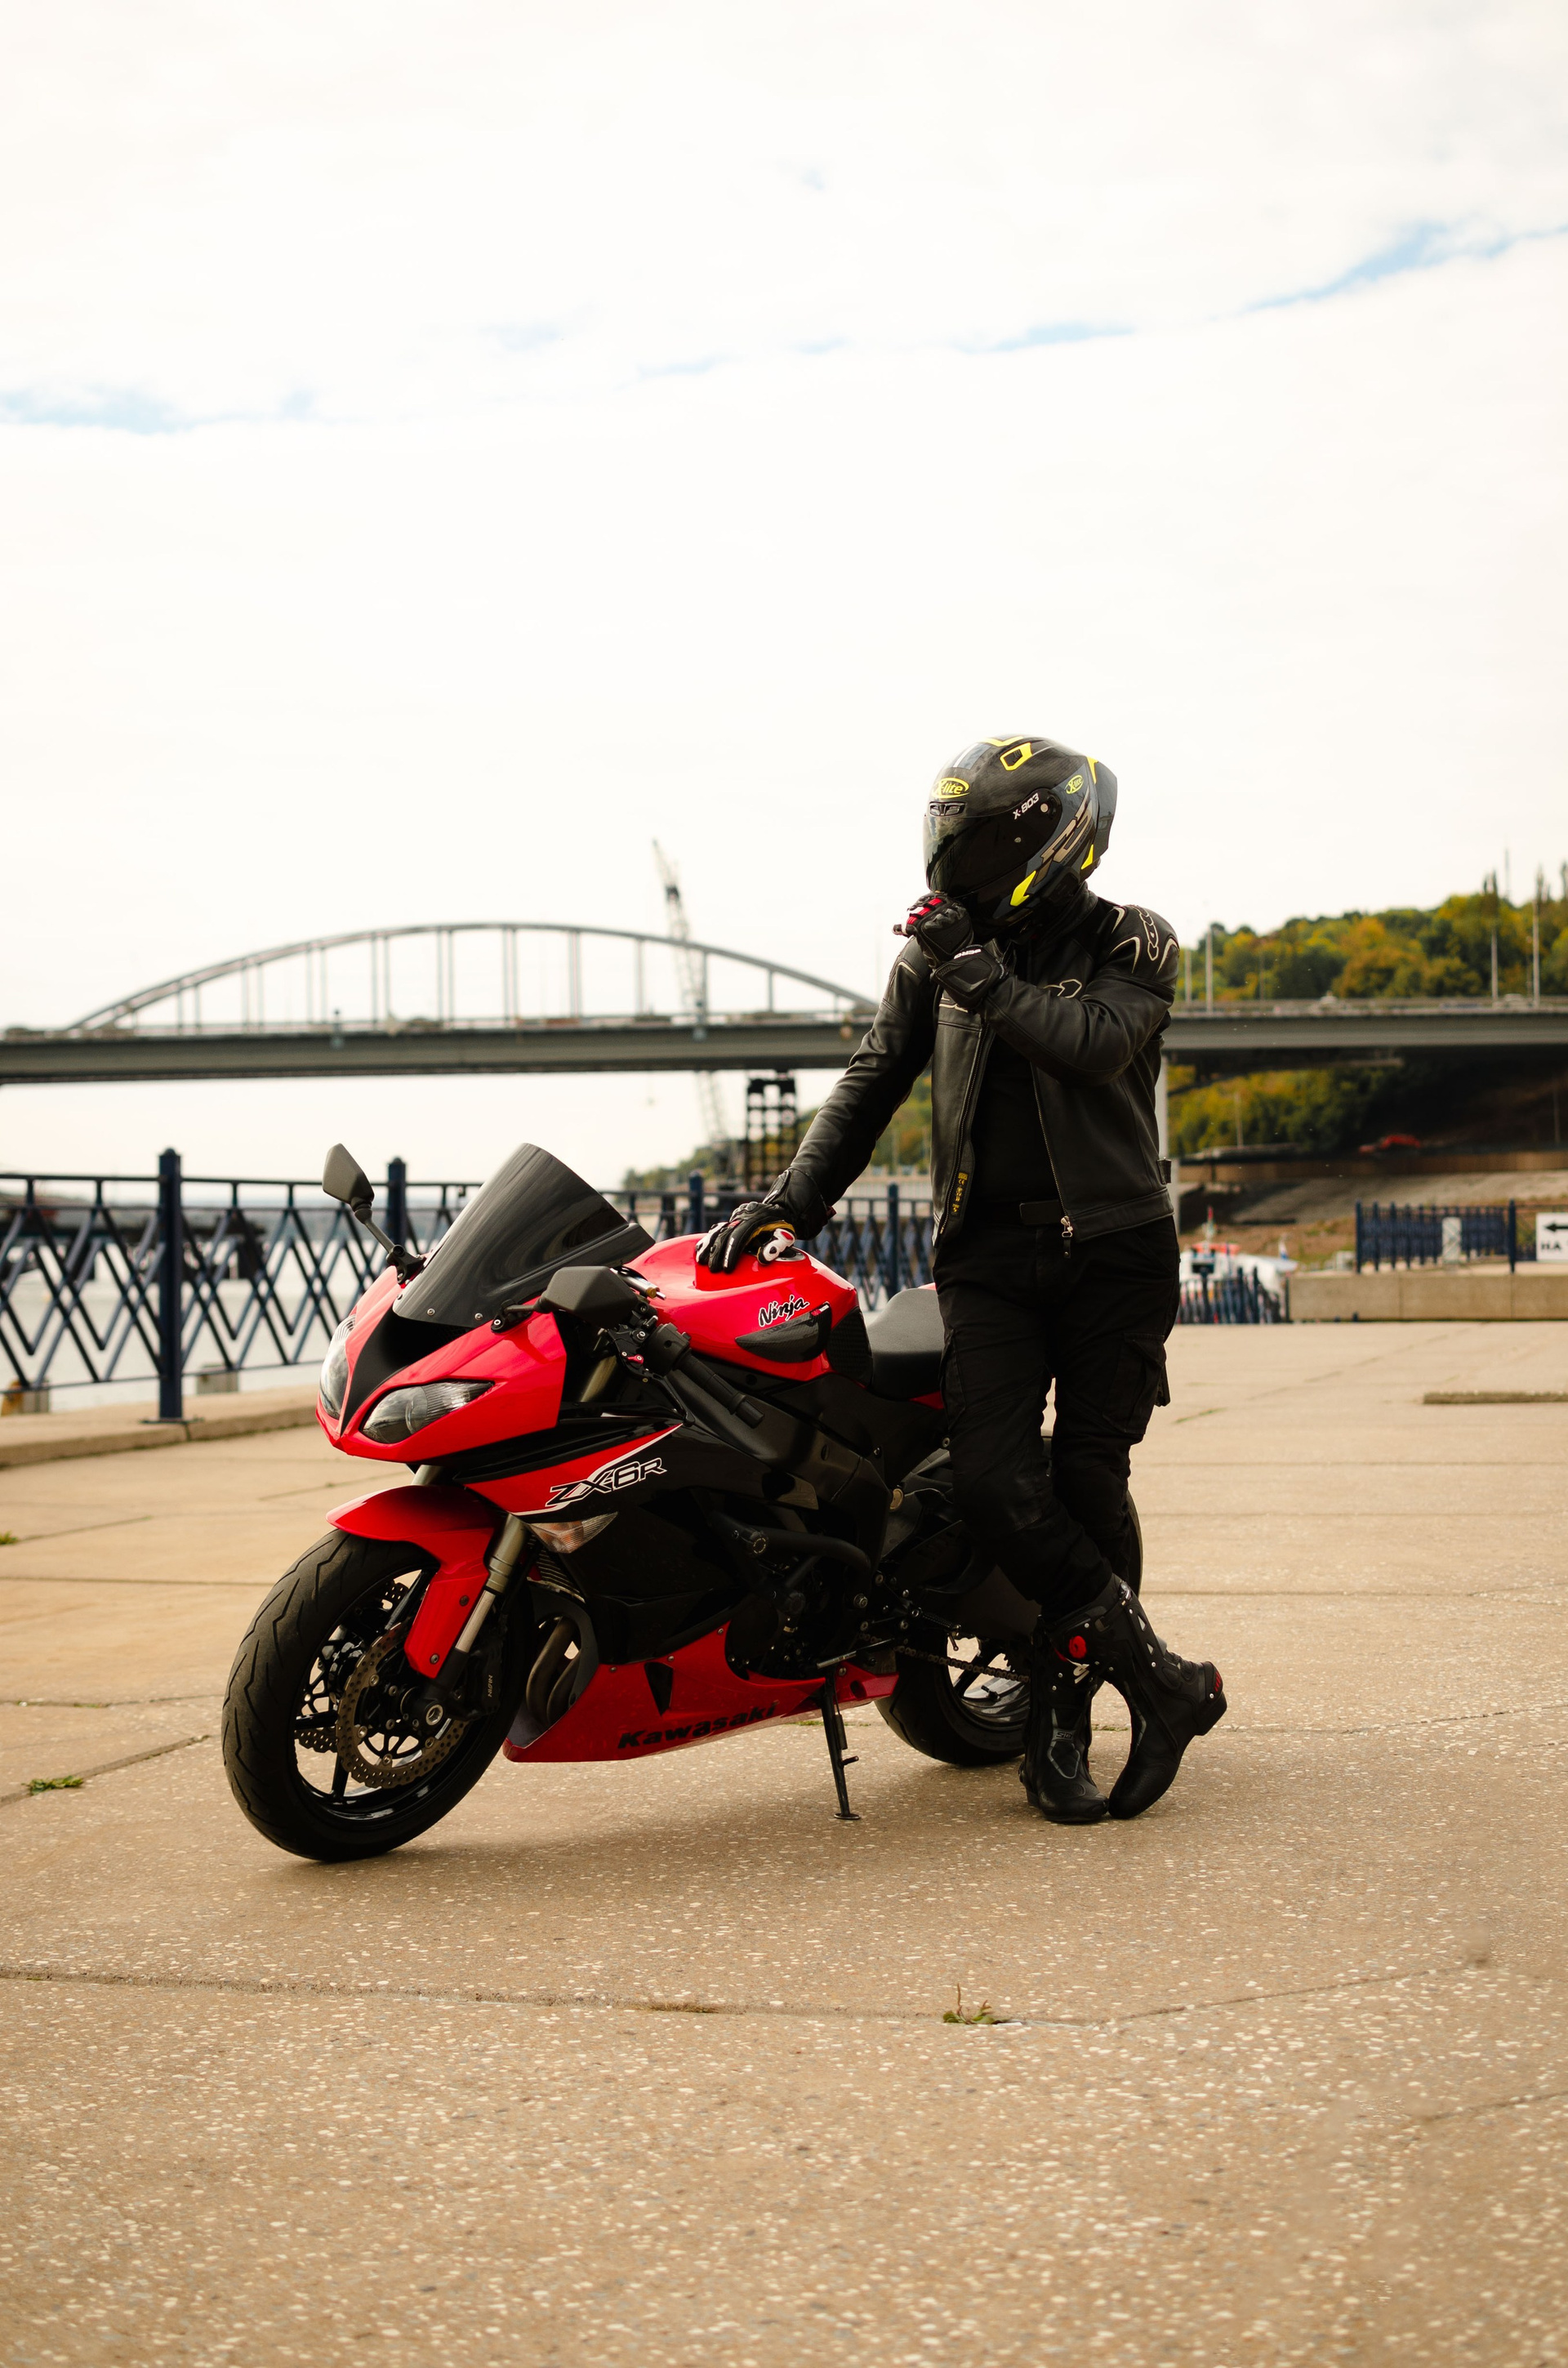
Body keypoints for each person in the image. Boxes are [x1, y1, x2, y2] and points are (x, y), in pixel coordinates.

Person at [696, 734, 1225, 1824]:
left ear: (1052, 840)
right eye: (953, 840)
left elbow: (1092, 1042)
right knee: (993, 1483)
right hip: (985, 1256)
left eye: (981, 842)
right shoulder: (935, 955)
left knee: (1088, 1480)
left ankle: (1062, 1714)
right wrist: (788, 1203)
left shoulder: (1134, 938)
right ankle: (1163, 1683)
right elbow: (870, 1083)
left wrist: (979, 976)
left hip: (1115, 1252)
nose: (959, 864)